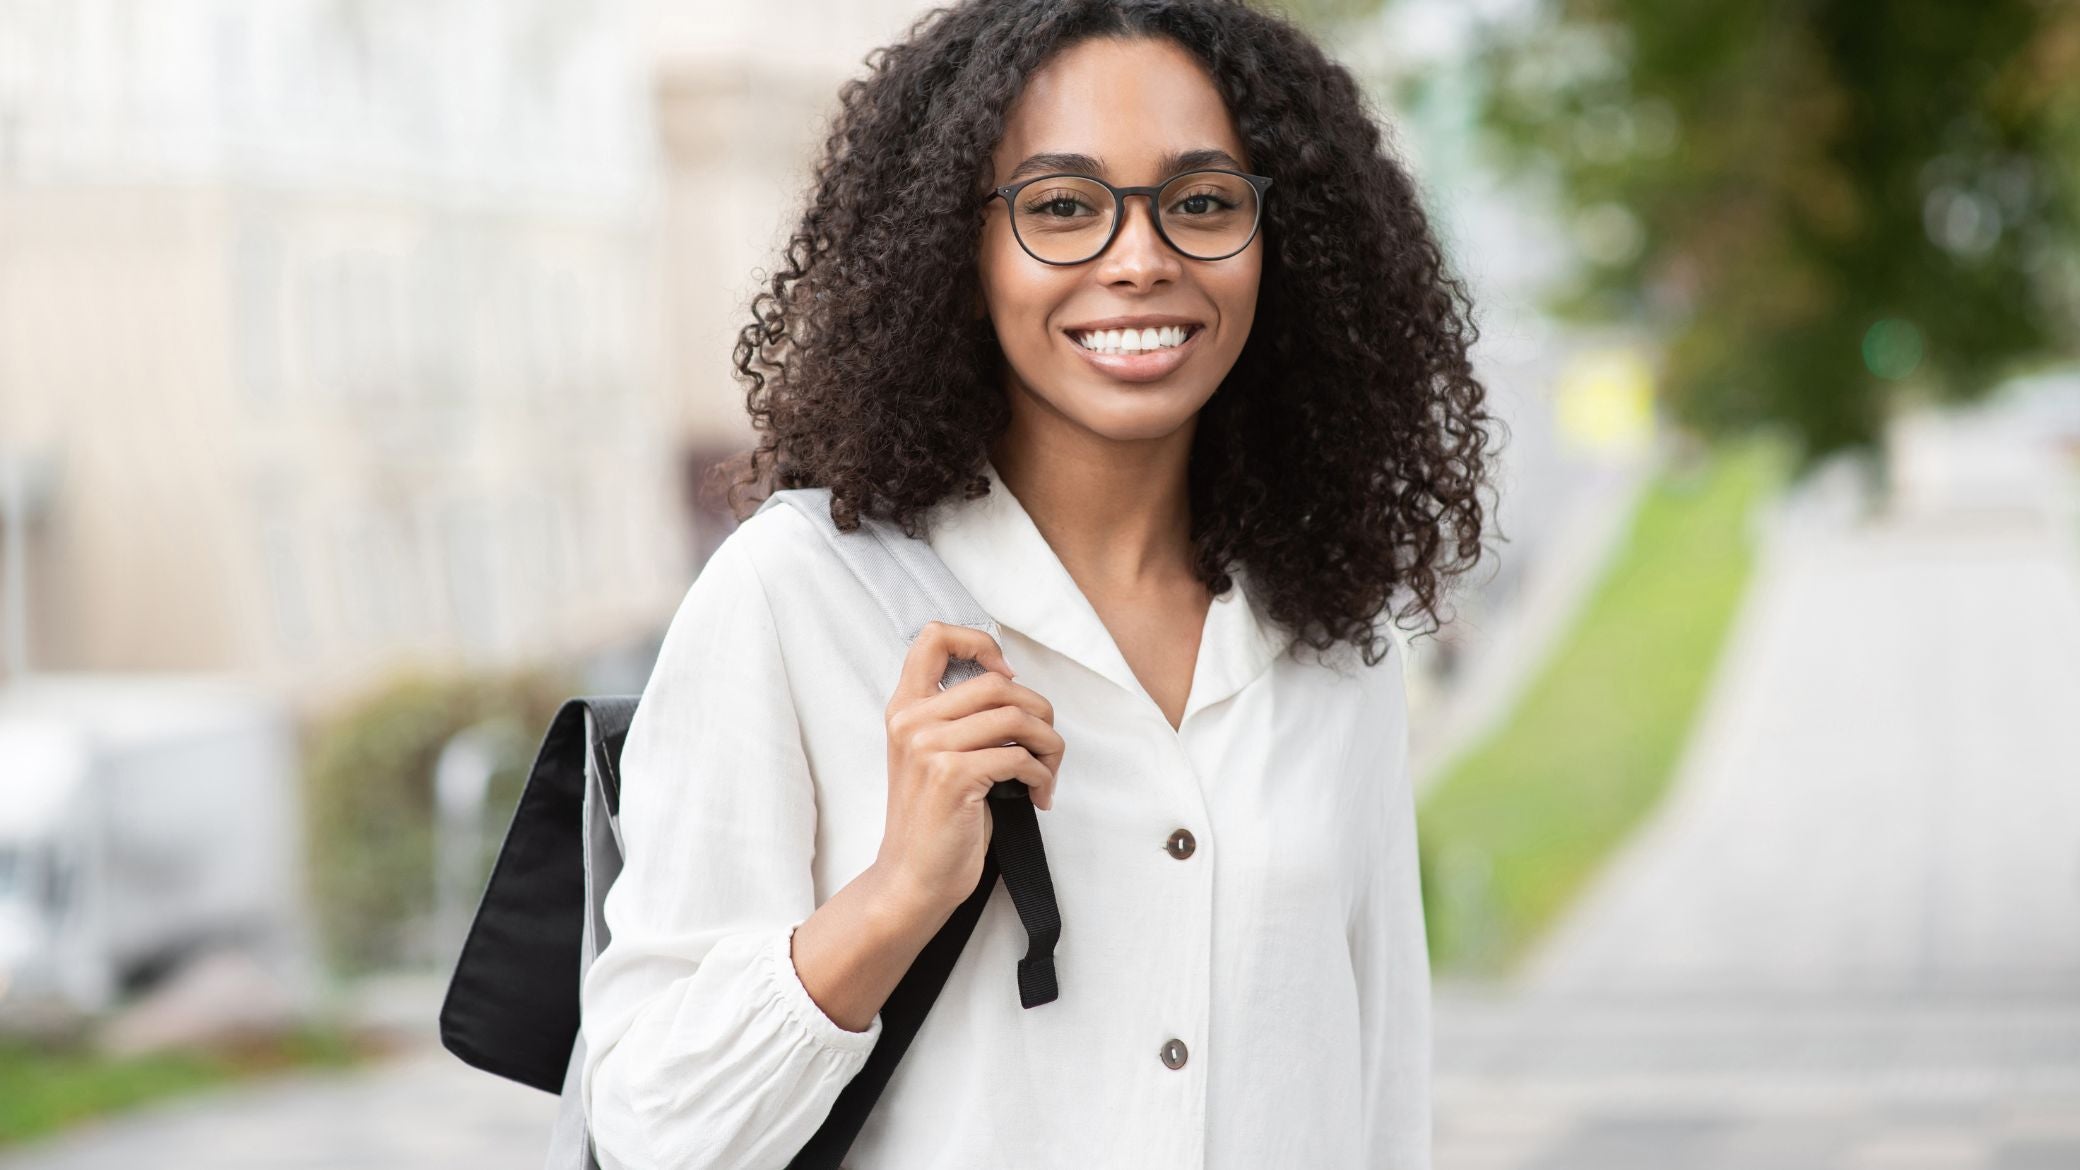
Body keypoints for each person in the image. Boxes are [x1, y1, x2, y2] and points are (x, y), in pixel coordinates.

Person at [579, 1, 1498, 1167]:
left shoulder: (1327, 629)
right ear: (959, 254)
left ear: (1285, 244)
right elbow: (656, 1129)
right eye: (1061, 206)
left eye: (1203, 202)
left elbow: (1377, 1089)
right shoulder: (799, 595)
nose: (1141, 259)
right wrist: (896, 892)